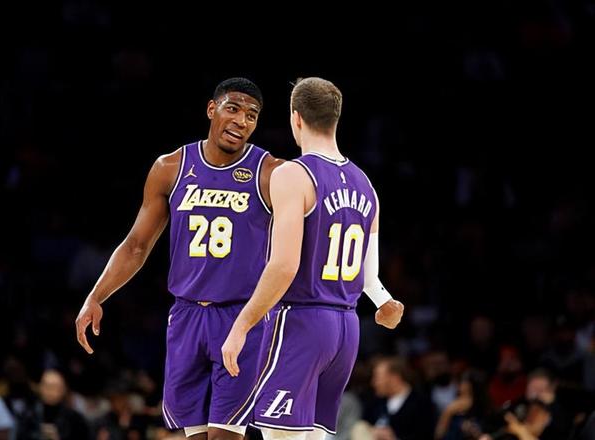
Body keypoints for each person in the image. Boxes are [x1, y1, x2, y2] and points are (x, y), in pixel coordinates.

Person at [75, 78, 282, 439]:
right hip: (186, 316)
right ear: (211, 109)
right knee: (194, 435)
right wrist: (96, 296)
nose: (241, 120)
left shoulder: (270, 172)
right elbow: (136, 245)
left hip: (240, 316)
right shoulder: (170, 167)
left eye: (252, 115)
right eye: (233, 108)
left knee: (225, 435)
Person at [221, 77, 404, 440]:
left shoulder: (293, 174)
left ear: (296, 118)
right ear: (336, 118)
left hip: (302, 321)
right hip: (345, 330)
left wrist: (241, 326)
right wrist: (385, 302)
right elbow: (369, 277)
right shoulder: (366, 184)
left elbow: (284, 265)